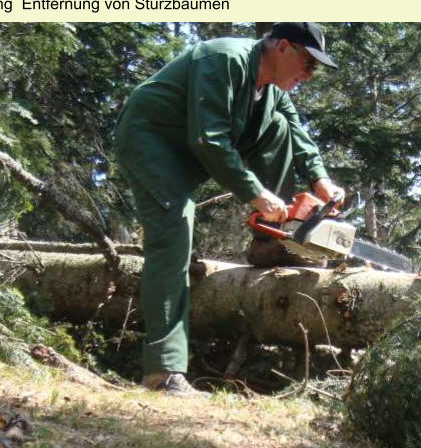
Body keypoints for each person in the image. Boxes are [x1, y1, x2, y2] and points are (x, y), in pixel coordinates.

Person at [115, 22, 344, 397]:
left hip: (191, 150)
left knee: (280, 128)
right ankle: (161, 372)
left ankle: (274, 240)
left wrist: (320, 181)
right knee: (174, 237)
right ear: (283, 47)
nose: (308, 74)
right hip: (152, 141)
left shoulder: (271, 91)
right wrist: (256, 194)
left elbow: (295, 134)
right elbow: (210, 138)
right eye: (306, 63)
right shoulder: (224, 58)